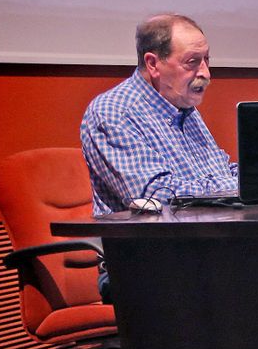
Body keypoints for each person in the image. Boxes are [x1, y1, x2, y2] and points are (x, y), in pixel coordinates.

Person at [80, 13, 238, 215]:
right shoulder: (113, 112)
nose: (205, 73)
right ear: (153, 64)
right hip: (151, 242)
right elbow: (155, 194)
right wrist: (239, 186)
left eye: (206, 60)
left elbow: (219, 172)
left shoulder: (184, 107)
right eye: (192, 62)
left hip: (205, 233)